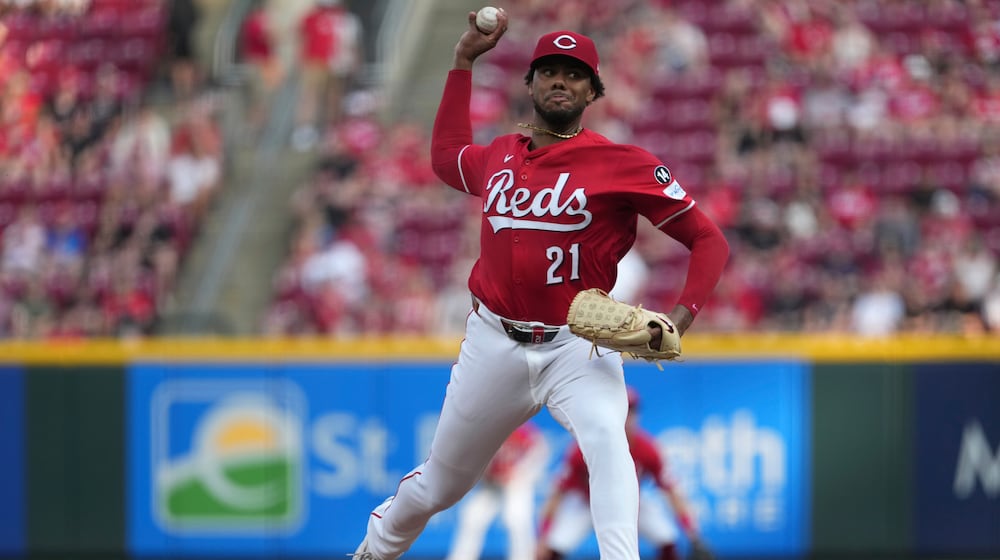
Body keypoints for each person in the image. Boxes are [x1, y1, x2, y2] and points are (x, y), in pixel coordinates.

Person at [352, 10, 729, 560]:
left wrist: (682, 316)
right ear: (530, 83)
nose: (560, 80)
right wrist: (462, 62)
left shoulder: (622, 163)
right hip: (493, 342)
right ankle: (371, 553)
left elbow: (709, 240)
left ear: (593, 90)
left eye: (574, 73)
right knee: (441, 485)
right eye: (549, 70)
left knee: (609, 443)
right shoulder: (501, 155)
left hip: (579, 344)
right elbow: (444, 158)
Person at [536, 387, 708, 560]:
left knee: (667, 540)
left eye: (631, 411)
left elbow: (672, 491)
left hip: (631, 503)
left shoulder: (646, 448)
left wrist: (693, 534)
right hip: (587, 504)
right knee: (551, 548)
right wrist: (542, 537)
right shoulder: (583, 448)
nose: (627, 417)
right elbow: (556, 494)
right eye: (622, 410)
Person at [446, 421, 549, 560]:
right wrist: (487, 474)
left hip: (516, 483)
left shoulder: (520, 430)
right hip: (492, 485)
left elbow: (539, 452)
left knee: (516, 520)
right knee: (473, 516)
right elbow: (473, 462)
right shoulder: (484, 433)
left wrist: (520, 473)